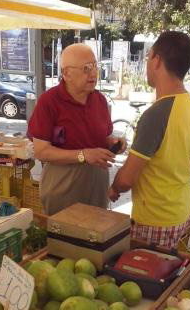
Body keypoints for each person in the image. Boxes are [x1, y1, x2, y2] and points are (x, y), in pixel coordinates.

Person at [109, 31, 190, 248]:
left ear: (156, 59)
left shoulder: (156, 114)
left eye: (149, 58)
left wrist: (115, 187)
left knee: (150, 279)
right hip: (183, 213)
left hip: (154, 222)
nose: (148, 64)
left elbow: (127, 179)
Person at [28, 43, 126, 215]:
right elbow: (41, 151)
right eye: (86, 68)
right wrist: (83, 155)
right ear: (66, 74)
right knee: (64, 237)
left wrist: (113, 143)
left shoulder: (100, 100)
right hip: (63, 184)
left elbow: (103, 137)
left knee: (95, 237)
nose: (94, 73)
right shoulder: (49, 102)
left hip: (97, 184)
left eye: (95, 66)